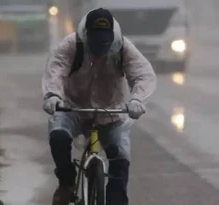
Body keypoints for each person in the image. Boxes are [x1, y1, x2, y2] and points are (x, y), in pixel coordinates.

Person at [42, 8, 157, 205]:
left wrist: (137, 99)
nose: (101, 48)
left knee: (120, 158)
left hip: (111, 112)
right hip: (73, 109)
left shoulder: (123, 49)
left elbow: (143, 75)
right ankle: (66, 181)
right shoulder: (72, 45)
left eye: (105, 42)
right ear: (86, 36)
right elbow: (56, 70)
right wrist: (53, 95)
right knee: (58, 136)